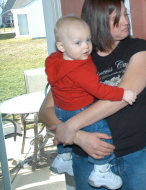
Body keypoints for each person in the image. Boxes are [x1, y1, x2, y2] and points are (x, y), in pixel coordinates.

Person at [39, 0, 146, 190]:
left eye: (126, 13)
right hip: (88, 160)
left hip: (135, 156)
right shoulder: (77, 57)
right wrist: (78, 137)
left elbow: (122, 96)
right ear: (97, 21)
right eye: (116, 18)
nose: (126, 21)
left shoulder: (138, 48)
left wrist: (71, 125)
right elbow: (45, 111)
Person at [46, 15, 137, 189]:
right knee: (103, 133)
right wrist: (122, 93)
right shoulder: (79, 70)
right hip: (79, 108)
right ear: (61, 46)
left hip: (61, 109)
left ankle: (64, 157)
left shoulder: (54, 61)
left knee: (64, 127)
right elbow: (99, 90)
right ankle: (101, 170)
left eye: (87, 40)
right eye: (78, 43)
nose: (86, 46)